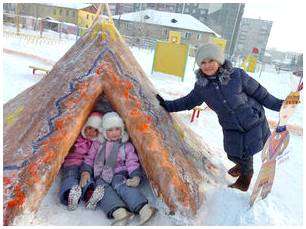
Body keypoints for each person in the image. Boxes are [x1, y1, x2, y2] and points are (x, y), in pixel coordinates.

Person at [156, 43, 284, 192]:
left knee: (247, 152)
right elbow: (188, 101)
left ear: (219, 61)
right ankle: (241, 165)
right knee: (232, 153)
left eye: (211, 60)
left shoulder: (237, 76)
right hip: (230, 126)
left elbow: (261, 94)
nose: (207, 65)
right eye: (203, 62)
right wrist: (167, 105)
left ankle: (245, 178)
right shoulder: (202, 87)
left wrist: (281, 105)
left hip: (252, 120)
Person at [80, 112, 155, 225]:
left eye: (117, 129)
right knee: (101, 189)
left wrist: (135, 176)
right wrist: (85, 171)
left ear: (122, 129)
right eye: (110, 130)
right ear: (104, 132)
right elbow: (90, 159)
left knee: (121, 185)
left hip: (119, 172)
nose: (114, 133)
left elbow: (131, 162)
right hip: (101, 174)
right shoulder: (98, 144)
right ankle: (119, 212)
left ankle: (144, 208)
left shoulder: (125, 146)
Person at [59, 112, 103, 210]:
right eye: (89, 128)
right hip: (72, 163)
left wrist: (87, 171)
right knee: (71, 177)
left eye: (95, 130)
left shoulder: (96, 144)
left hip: (87, 165)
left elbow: (93, 158)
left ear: (99, 133)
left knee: (88, 179)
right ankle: (70, 196)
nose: (91, 132)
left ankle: (90, 196)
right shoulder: (76, 138)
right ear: (84, 128)